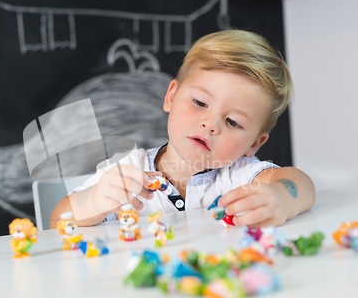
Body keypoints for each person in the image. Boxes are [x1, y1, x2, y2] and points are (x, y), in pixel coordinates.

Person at [50, 30, 315, 228]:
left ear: (254, 144)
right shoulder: (129, 169)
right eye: (200, 103)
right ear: (171, 97)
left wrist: (282, 197)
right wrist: (95, 201)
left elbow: (301, 184)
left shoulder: (240, 177)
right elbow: (57, 222)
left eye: (233, 122)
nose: (210, 124)